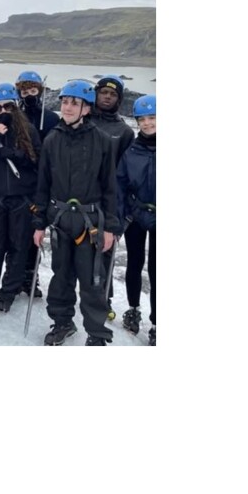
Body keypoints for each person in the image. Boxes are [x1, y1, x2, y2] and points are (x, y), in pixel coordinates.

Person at [32, 80, 122, 346]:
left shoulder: (102, 141)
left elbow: (110, 187)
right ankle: (62, 322)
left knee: (92, 280)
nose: (67, 107)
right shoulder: (52, 140)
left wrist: (111, 228)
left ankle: (96, 333)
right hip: (61, 219)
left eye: (74, 103)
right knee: (61, 276)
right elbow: (43, 185)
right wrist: (39, 223)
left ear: (86, 108)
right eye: (64, 102)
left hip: (90, 221)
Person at [0, 84, 41, 313]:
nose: (3, 111)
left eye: (8, 106)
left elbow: (37, 161)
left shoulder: (28, 130)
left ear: (15, 107)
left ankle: (8, 293)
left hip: (21, 199)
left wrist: (15, 154)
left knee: (18, 249)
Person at [92, 75, 135, 318]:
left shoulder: (124, 132)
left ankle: (103, 300)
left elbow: (126, 173)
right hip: (81, 197)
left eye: (113, 94)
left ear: (118, 99)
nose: (107, 97)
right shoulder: (84, 120)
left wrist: (121, 210)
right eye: (103, 92)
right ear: (96, 94)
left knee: (105, 252)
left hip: (108, 202)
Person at [15, 70, 59, 299]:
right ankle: (14, 274)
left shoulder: (51, 119)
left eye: (33, 90)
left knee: (36, 231)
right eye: (25, 91)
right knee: (16, 233)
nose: (29, 95)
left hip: (41, 184)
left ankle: (31, 275)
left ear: (40, 92)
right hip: (18, 182)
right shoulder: (15, 117)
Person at [117, 94, 156, 345]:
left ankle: (158, 322)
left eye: (152, 118)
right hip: (137, 213)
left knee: (157, 269)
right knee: (135, 262)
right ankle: (133, 308)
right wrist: (122, 214)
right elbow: (120, 183)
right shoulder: (132, 150)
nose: (147, 123)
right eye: (142, 119)